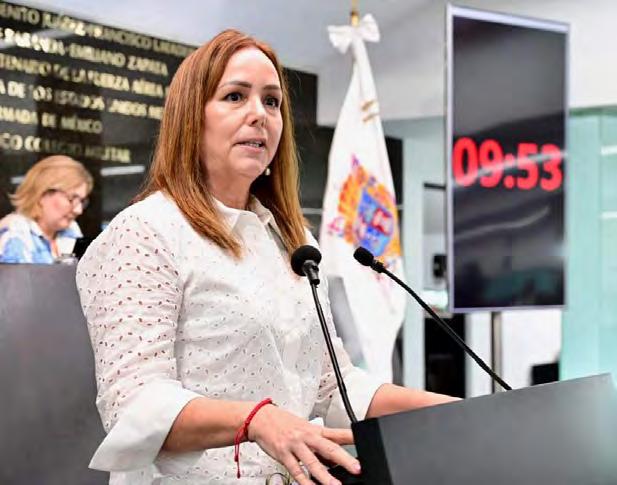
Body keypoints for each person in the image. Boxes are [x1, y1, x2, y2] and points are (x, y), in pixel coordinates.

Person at [76, 29, 457, 485]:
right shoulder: (146, 231)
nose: (259, 114)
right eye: (235, 96)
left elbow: (331, 384)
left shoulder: (291, 240)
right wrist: (256, 419)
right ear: (190, 118)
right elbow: (133, 404)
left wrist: (453, 411)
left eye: (272, 101)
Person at [0, 155, 93, 264]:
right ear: (42, 195)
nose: (78, 210)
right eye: (72, 198)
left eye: (81, 201)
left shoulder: (72, 229)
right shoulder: (15, 232)